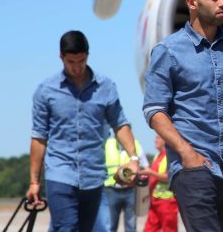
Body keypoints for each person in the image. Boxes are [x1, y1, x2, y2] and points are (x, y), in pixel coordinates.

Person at [142, 0, 223, 232]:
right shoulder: (168, 51)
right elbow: (154, 110)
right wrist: (187, 154)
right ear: (192, 3)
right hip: (193, 169)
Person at [27, 30, 140, 232]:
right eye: (71, 62)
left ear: (87, 55)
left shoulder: (106, 87)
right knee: (66, 228)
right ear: (61, 57)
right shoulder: (46, 91)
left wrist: (133, 158)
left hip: (94, 177)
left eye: (81, 60)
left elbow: (120, 124)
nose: (77, 67)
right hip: (60, 174)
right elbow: (39, 138)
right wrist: (34, 181)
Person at [103, 135, 149, 232]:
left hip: (131, 191)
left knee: (131, 226)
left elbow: (145, 167)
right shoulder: (108, 144)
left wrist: (135, 176)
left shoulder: (136, 145)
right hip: (111, 190)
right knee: (110, 225)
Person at [140, 135, 179, 232]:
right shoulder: (157, 156)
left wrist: (150, 173)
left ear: (165, 141)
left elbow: (169, 178)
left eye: (158, 138)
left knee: (169, 229)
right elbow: (154, 177)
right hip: (155, 200)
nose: (155, 140)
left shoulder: (169, 157)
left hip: (167, 202)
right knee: (149, 229)